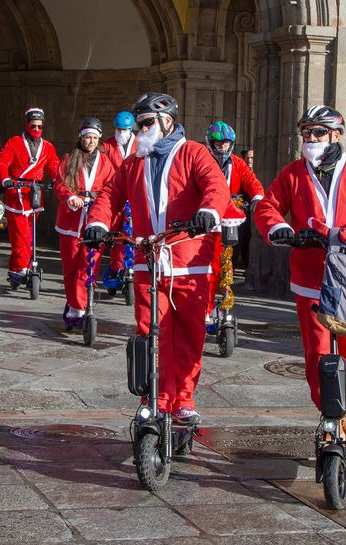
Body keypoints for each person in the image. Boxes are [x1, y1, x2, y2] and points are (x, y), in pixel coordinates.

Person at [254, 105, 346, 438]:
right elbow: (268, 205)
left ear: (336, 135)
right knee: (317, 350)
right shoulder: (293, 173)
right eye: (305, 133)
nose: (310, 138)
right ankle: (328, 413)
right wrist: (278, 227)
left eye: (318, 132)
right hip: (310, 273)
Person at [83, 92, 229, 425]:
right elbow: (110, 195)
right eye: (138, 125)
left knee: (191, 335)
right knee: (152, 332)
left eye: (147, 123)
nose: (141, 130)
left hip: (190, 262)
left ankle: (184, 398)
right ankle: (157, 399)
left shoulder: (194, 153)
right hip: (147, 261)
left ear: (166, 121)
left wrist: (208, 211)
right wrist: (97, 222)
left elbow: (215, 186)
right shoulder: (133, 162)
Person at [53, 117, 115, 330]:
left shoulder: (106, 162)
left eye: (95, 138)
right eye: (88, 137)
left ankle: (78, 307)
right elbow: (59, 183)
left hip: (94, 220)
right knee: (70, 267)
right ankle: (73, 304)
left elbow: (111, 187)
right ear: (81, 137)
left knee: (88, 267)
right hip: (70, 221)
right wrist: (70, 197)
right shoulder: (69, 158)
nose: (91, 141)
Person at [0, 108, 60, 286]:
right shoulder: (14, 142)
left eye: (40, 126)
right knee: (21, 237)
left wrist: (55, 180)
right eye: (33, 125)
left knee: (28, 237)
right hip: (16, 193)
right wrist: (6, 179)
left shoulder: (48, 146)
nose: (37, 129)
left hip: (35, 194)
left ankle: (16, 267)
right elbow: (2, 162)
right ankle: (22, 267)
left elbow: (54, 165)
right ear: (26, 124)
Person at [204, 121, 264, 310]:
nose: (222, 146)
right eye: (218, 143)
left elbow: (251, 181)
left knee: (229, 256)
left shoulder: (237, 162)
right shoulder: (202, 159)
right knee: (207, 257)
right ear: (210, 143)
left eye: (226, 143)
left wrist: (257, 197)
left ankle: (225, 296)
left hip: (230, 217)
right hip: (206, 215)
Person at [100, 111, 138, 279]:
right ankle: (115, 269)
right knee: (116, 235)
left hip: (134, 195)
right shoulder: (107, 146)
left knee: (134, 234)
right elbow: (102, 170)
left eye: (125, 130)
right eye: (119, 129)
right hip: (116, 194)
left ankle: (133, 267)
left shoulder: (140, 144)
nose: (122, 133)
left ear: (131, 129)